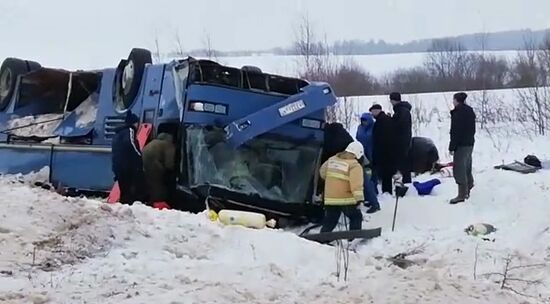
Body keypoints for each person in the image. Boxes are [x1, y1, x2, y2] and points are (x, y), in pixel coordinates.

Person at [319, 141, 365, 233]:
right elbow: (356, 184)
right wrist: (359, 199)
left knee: (331, 220)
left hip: (330, 198)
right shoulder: (354, 166)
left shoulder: (332, 160)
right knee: (356, 217)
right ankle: (353, 237)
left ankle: (322, 238)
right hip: (346, 199)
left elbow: (322, 173)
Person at [111, 111, 147, 205]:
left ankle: (123, 208)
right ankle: (130, 208)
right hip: (127, 166)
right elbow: (131, 144)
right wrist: (139, 156)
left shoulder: (117, 134)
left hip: (117, 166)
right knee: (132, 190)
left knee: (124, 190)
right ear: (135, 123)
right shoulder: (130, 130)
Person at [449, 92, 476, 204]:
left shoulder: (458, 113)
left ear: (457, 100)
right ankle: (469, 186)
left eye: (453, 99)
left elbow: (456, 132)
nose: (453, 101)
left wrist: (452, 146)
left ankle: (462, 194)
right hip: (470, 143)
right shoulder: (469, 111)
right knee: (467, 166)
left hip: (461, 144)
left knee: (459, 169)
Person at [142, 132, 176, 210]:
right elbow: (169, 164)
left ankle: (150, 203)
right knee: (159, 187)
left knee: (150, 185)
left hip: (144, 165)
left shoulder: (152, 143)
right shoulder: (168, 145)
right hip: (155, 166)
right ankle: (158, 205)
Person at [356, 113, 380, 213]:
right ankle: (369, 196)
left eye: (365, 120)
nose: (364, 122)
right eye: (362, 120)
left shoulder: (374, 127)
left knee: (370, 177)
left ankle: (373, 195)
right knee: (366, 177)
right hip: (362, 153)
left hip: (373, 152)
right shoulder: (360, 128)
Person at [370, 104, 396, 194]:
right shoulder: (384, 120)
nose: (372, 114)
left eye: (372, 112)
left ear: (377, 111)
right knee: (386, 174)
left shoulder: (382, 121)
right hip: (387, 152)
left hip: (385, 152)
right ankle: (386, 192)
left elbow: (382, 139)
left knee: (386, 174)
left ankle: (387, 192)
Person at [389, 92, 413, 184]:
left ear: (393, 100)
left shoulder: (401, 111)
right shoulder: (403, 110)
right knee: (404, 160)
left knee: (404, 161)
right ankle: (406, 179)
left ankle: (407, 181)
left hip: (402, 140)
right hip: (404, 138)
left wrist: (391, 121)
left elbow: (398, 124)